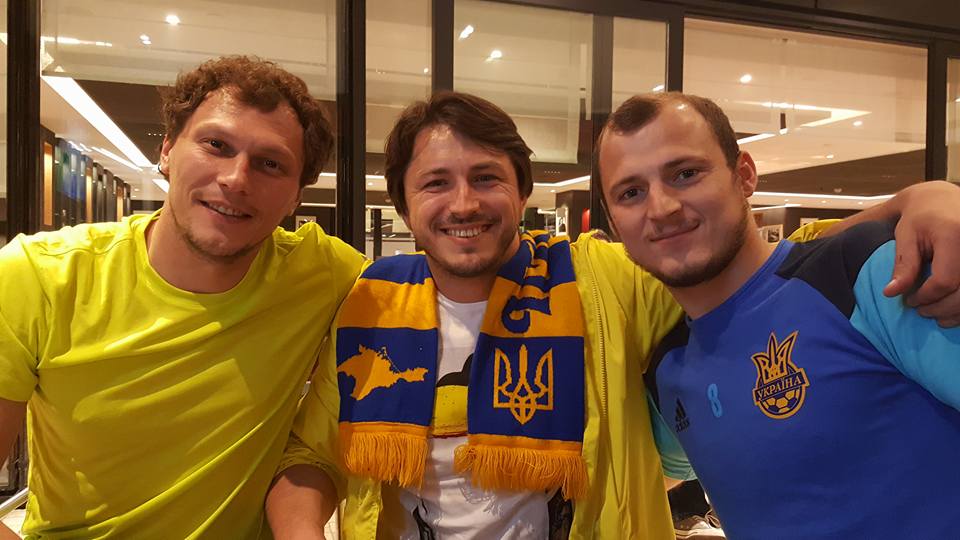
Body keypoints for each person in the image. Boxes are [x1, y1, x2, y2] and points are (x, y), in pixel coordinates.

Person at [265, 91, 960, 539]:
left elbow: (764, 262)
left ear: (521, 192)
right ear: (403, 204)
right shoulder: (370, 303)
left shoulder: (606, 279)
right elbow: (310, 456)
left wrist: (920, 199)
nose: (464, 203)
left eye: (486, 178)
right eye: (436, 184)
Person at [0, 56, 365, 538]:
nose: (236, 179)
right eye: (216, 145)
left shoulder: (325, 273)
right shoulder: (41, 275)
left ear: (297, 196)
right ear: (168, 150)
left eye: (270, 164)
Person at [595, 91, 960, 539]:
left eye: (686, 174)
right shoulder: (670, 370)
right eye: (631, 193)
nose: (662, 208)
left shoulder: (869, 276)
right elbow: (659, 475)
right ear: (613, 222)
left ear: (744, 175)